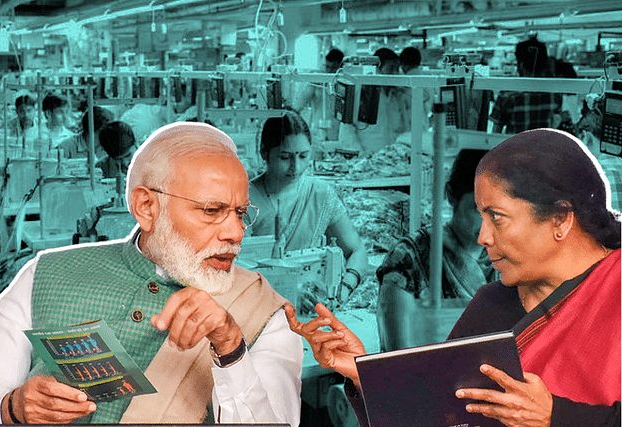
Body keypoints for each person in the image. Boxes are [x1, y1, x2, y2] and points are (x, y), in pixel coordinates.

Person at [287, 128, 621, 427]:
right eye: (479, 215)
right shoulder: (492, 306)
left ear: (560, 219)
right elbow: (439, 409)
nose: (483, 237)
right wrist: (363, 374)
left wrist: (555, 417)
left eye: (497, 218)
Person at [0, 122, 303, 425]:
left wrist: (231, 347)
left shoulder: (264, 311)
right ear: (147, 207)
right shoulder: (45, 275)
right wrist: (12, 407)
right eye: (212, 210)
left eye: (240, 213)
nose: (236, 232)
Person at [376, 149, 499, 351]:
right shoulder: (408, 260)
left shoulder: (506, 262)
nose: (490, 224)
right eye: (479, 210)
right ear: (451, 195)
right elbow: (398, 358)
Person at [249, 112, 367, 311]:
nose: (296, 167)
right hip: (259, 309)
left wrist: (344, 287)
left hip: (311, 305)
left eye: (303, 156)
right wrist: (285, 291)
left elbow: (357, 250)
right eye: (285, 157)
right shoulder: (243, 201)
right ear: (264, 153)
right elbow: (232, 271)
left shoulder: (320, 194)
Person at [490, 36, 561, 134]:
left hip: (514, 149)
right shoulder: (555, 95)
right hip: (544, 148)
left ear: (520, 65)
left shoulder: (507, 96)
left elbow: (495, 133)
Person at [293, 48, 344, 141]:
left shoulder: (345, 84)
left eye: (333, 68)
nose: (329, 71)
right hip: (317, 129)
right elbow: (301, 101)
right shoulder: (317, 80)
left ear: (340, 68)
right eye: (327, 66)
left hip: (337, 131)